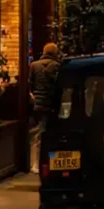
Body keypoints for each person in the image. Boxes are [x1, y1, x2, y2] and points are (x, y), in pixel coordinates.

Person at [28, 42, 61, 172]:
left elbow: (30, 85)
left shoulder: (34, 65)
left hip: (38, 105)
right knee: (50, 134)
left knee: (37, 134)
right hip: (52, 104)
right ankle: (47, 162)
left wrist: (34, 97)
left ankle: (35, 163)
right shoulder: (57, 66)